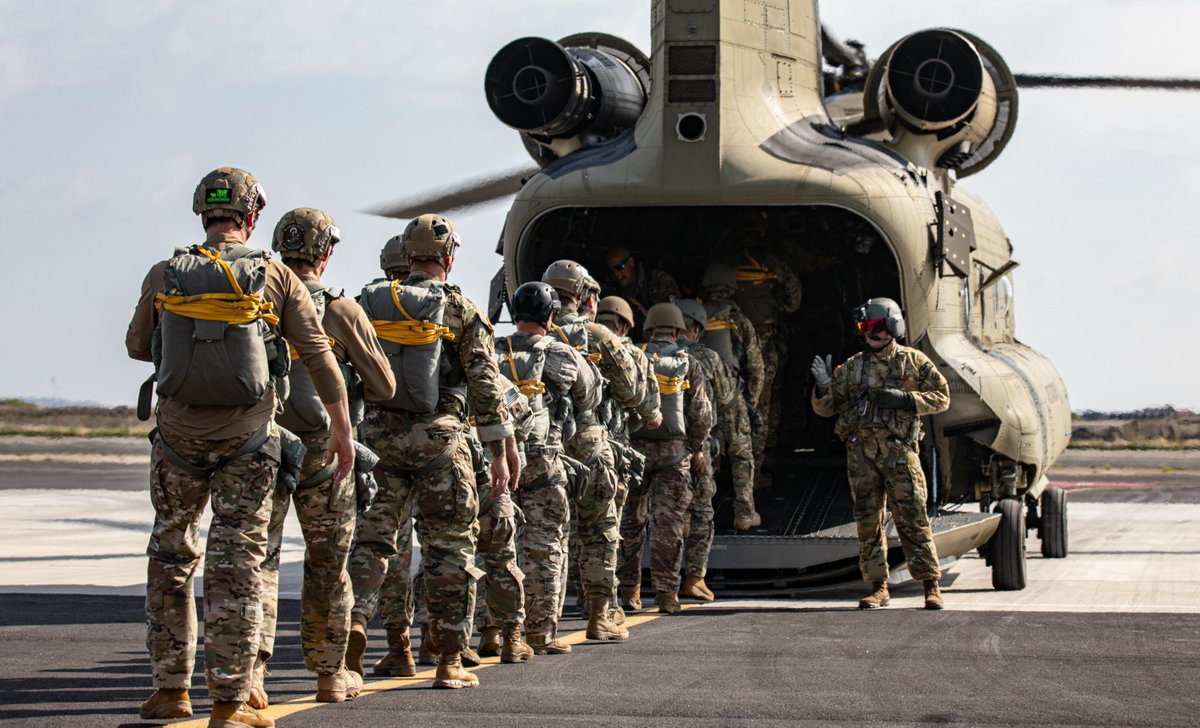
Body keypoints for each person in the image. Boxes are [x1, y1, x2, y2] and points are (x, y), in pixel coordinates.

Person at [127, 167, 354, 728]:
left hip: (176, 439)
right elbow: (320, 356)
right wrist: (342, 426)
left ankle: (170, 690)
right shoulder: (275, 276)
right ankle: (230, 700)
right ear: (252, 217)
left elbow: (137, 347)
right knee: (239, 562)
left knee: (171, 556)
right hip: (249, 441)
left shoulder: (166, 271)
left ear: (202, 212)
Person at [346, 213, 520, 689]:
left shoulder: (369, 302)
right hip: (442, 442)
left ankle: (357, 624)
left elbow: (346, 370)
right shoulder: (460, 309)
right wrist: (500, 450)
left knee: (373, 542)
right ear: (449, 256)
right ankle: (448, 660)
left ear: (406, 255)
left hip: (380, 441)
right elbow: (485, 384)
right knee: (448, 551)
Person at [253, 208, 395, 705]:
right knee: (328, 563)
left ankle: (250, 679)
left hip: (262, 443)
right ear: (326, 252)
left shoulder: (254, 295)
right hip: (325, 450)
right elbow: (383, 384)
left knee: (257, 560)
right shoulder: (340, 309)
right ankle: (330, 674)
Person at [542, 259, 660, 644]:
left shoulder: (532, 329)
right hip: (590, 442)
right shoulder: (597, 335)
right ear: (581, 295)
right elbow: (633, 392)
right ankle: (599, 615)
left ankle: (530, 624)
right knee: (599, 532)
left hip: (543, 441)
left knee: (545, 535)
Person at [810, 297, 950, 610]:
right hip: (862, 457)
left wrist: (906, 400)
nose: (869, 333)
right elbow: (827, 408)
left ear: (892, 326)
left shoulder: (914, 362)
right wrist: (822, 386)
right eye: (864, 327)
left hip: (900, 454)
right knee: (867, 523)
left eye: (874, 326)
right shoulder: (853, 367)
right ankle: (877, 586)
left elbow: (942, 398)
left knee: (913, 519)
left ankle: (931, 585)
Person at [496, 281, 601, 653]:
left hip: (498, 459)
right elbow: (589, 396)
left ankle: (493, 633)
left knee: (494, 546)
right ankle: (540, 633)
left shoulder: (494, 349)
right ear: (551, 316)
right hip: (543, 462)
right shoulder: (560, 354)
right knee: (544, 546)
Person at [619, 303, 714, 614]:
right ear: (678, 331)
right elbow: (700, 413)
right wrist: (696, 449)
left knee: (630, 525)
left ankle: (629, 592)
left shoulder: (632, 356)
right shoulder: (690, 363)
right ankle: (666, 595)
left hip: (634, 453)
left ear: (647, 330)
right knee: (668, 526)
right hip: (674, 456)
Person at [675, 298, 738, 601]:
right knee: (701, 513)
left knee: (664, 515)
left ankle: (658, 583)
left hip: (661, 450)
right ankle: (694, 578)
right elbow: (725, 400)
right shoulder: (708, 358)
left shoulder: (650, 354)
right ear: (697, 329)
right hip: (698, 449)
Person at [699, 263, 765, 530]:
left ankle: (701, 513)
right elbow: (756, 367)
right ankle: (745, 513)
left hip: (702, 399)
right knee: (741, 455)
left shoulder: (694, 316)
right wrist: (750, 403)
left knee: (707, 455)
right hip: (732, 398)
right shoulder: (739, 319)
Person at [732, 247, 802, 487]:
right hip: (763, 343)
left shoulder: (725, 259)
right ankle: (755, 470)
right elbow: (794, 300)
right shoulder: (772, 261)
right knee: (761, 406)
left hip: (731, 349)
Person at [602, 246, 679, 336]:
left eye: (620, 267)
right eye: (612, 270)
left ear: (631, 262)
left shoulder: (659, 281)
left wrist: (648, 314)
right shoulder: (614, 290)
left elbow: (675, 316)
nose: (616, 273)